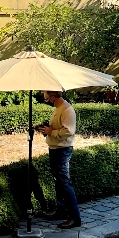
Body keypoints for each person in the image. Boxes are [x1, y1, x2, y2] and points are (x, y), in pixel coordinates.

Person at [36, 90, 81, 228]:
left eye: (47, 99)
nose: (47, 101)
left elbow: (68, 131)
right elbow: (58, 126)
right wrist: (46, 129)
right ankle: (62, 211)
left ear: (53, 97)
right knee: (59, 183)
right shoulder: (58, 109)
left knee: (64, 183)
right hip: (55, 149)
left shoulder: (67, 110)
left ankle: (75, 218)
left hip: (62, 150)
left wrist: (52, 132)